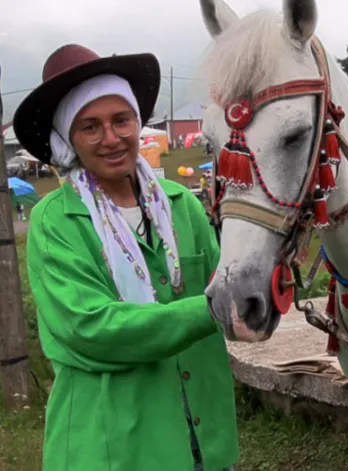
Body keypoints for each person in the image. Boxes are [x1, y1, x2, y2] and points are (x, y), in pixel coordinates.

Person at [13, 44, 239, 471]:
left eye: (122, 120)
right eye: (90, 127)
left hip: (206, 441)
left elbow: (230, 284)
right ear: (68, 139)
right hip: (113, 449)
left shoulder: (180, 205)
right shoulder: (55, 222)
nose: (111, 138)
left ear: (139, 121)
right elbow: (91, 328)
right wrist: (210, 308)